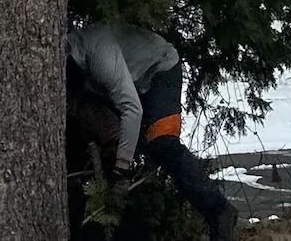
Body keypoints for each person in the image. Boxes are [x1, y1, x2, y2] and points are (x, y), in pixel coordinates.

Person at [65, 19, 238, 238]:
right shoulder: (76, 58)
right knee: (113, 146)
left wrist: (122, 165)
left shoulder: (100, 55)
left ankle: (219, 210)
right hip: (132, 80)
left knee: (162, 143)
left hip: (160, 69)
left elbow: (132, 109)